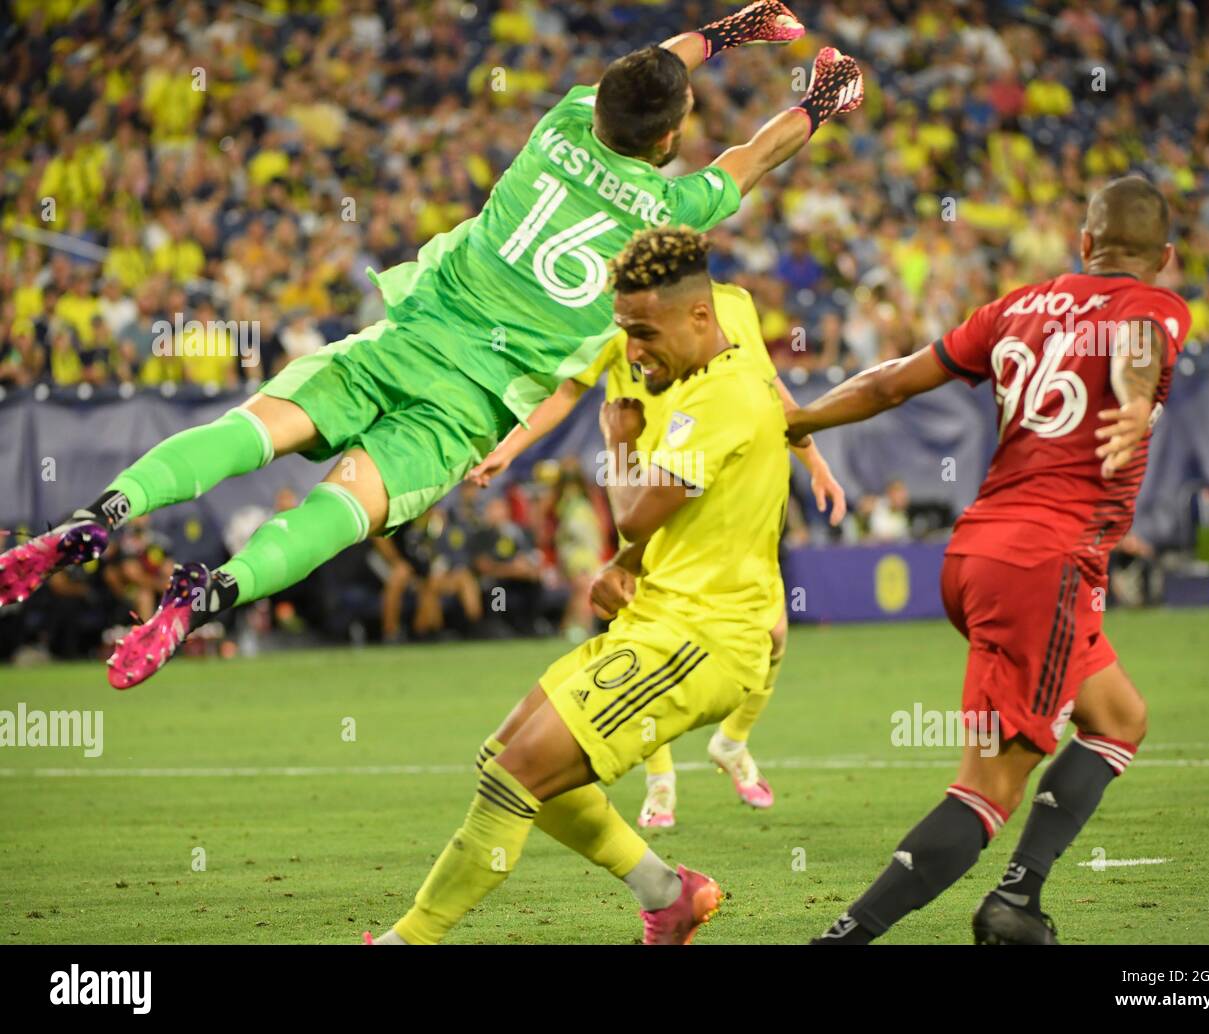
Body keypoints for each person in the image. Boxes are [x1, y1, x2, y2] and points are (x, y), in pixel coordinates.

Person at [0, 4, 863, 691]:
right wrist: (823, 99)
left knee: (255, 429)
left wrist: (729, 30)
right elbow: (758, 154)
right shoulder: (673, 207)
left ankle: (100, 514)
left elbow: (648, 70)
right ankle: (213, 593)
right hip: (470, 405)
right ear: (671, 139)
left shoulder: (558, 129)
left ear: (600, 103)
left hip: (410, 337)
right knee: (338, 512)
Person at [786, 175, 1191, 945]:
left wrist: (799, 418)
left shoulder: (1015, 307)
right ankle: (838, 942)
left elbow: (890, 382)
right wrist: (1136, 402)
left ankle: (1019, 898)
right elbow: (1139, 342)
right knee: (988, 790)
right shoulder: (1155, 307)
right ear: (1163, 257)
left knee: (1118, 720)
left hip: (977, 551)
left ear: (1082, 244)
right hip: (1047, 564)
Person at [367, 226, 791, 945]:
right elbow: (673, 519)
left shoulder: (721, 399)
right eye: (625, 332)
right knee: (504, 761)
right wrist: (628, 565)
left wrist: (618, 438)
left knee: (516, 778)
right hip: (657, 622)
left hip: (701, 641)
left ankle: (408, 941)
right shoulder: (698, 383)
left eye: (643, 333)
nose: (631, 353)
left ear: (698, 316)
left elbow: (629, 510)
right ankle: (666, 893)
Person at [468, 272, 846, 826]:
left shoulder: (733, 304)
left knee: (774, 633)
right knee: (643, 637)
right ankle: (660, 781)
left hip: (725, 486)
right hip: (652, 490)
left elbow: (772, 390)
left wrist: (813, 461)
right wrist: (511, 446)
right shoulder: (614, 317)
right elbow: (569, 389)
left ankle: (732, 742)